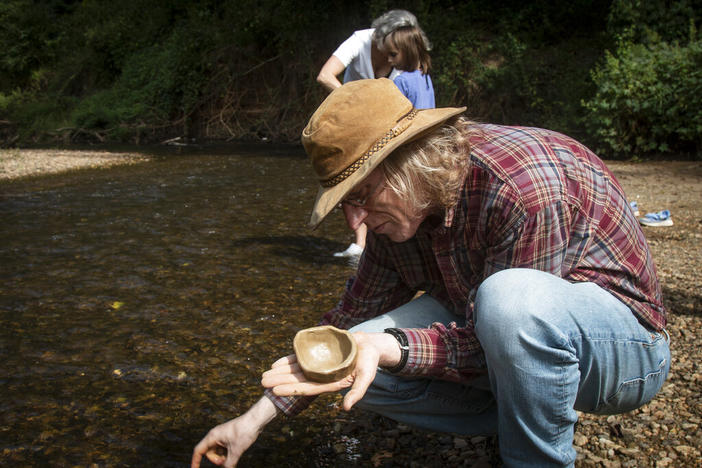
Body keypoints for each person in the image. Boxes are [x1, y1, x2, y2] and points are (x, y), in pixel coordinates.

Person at [191, 79, 670, 468]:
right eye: (345, 203)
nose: (354, 222)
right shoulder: (396, 212)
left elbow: (504, 329)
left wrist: (394, 348)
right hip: (504, 339)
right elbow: (343, 325)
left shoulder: (521, 188)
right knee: (354, 348)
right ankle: (509, 415)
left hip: (625, 352)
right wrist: (251, 420)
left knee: (507, 302)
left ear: (409, 163)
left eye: (361, 197)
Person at [317, 9, 425, 259]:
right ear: (382, 36)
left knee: (385, 178)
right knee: (354, 179)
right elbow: (324, 76)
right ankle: (360, 244)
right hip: (353, 120)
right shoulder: (360, 40)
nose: (392, 58)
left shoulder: (401, 50)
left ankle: (389, 239)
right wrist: (357, 99)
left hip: (387, 123)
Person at [382, 23, 435, 109]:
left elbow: (394, 114)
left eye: (393, 54)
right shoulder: (425, 76)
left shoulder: (401, 81)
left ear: (409, 51)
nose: (389, 60)